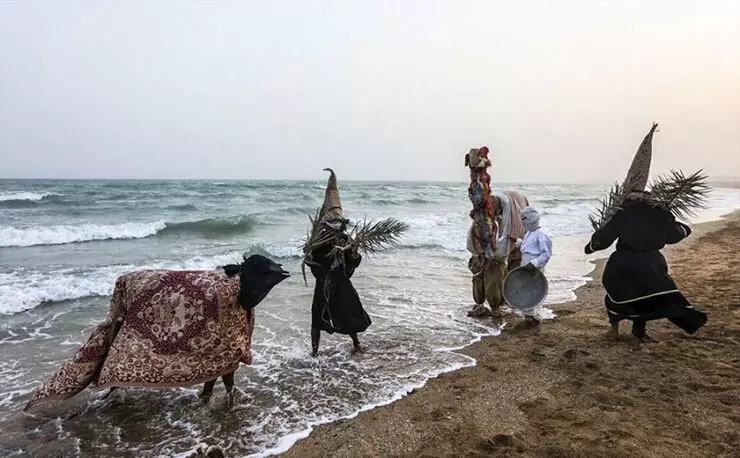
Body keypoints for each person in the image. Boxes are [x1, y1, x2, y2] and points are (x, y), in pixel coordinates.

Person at [585, 123, 707, 350]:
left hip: (623, 263)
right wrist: (685, 229)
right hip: (651, 264)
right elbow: (674, 235)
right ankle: (636, 337)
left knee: (614, 295)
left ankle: (613, 331)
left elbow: (605, 237)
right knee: (645, 300)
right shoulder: (660, 213)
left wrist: (591, 246)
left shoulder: (624, 211)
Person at [304, 169, 371, 356]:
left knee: (350, 312)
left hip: (341, 282)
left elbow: (352, 261)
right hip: (324, 284)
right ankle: (315, 352)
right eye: (332, 224)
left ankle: (356, 344)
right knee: (317, 318)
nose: (336, 226)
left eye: (338, 224)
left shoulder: (344, 239)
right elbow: (313, 263)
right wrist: (308, 256)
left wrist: (355, 252)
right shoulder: (318, 242)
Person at [513, 206, 552, 325]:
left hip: (534, 266)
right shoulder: (529, 234)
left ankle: (532, 315)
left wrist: (534, 264)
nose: (523, 222)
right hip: (526, 264)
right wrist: (516, 242)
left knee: (532, 289)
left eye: (524, 219)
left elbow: (546, 254)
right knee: (526, 287)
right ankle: (529, 313)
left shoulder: (541, 235)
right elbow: (527, 247)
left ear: (530, 220)